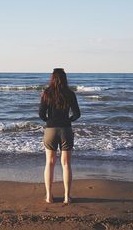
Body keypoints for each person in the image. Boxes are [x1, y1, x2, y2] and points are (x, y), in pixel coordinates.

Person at [38, 68, 81, 204]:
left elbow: (41, 114)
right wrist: (68, 120)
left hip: (50, 130)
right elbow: (77, 114)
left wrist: (49, 121)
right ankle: (67, 197)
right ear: (64, 78)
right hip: (66, 130)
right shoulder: (70, 94)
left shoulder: (46, 93)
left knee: (49, 163)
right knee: (66, 163)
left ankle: (49, 196)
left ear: (52, 78)